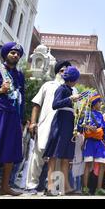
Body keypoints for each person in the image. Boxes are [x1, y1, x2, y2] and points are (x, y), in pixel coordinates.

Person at [0, 42, 25, 196]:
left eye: (18, 54)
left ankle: (5, 187)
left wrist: (21, 119)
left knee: (11, 149)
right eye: (13, 52)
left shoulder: (19, 75)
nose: (16, 55)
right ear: (6, 53)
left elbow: (22, 97)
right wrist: (0, 90)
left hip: (12, 115)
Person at [25, 60, 71, 194]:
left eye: (68, 71)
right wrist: (33, 122)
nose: (65, 73)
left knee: (57, 157)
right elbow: (36, 104)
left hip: (62, 128)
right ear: (57, 72)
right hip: (45, 125)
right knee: (38, 156)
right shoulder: (48, 85)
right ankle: (31, 185)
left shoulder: (72, 89)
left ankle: (52, 188)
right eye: (63, 70)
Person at [43, 66, 81, 196]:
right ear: (73, 78)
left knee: (66, 157)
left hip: (69, 122)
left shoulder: (71, 90)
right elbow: (55, 104)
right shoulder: (62, 88)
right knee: (54, 155)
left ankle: (66, 187)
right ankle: (50, 186)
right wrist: (70, 99)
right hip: (60, 122)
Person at [80, 93, 105, 196]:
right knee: (88, 165)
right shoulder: (86, 114)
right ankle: (85, 188)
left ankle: (99, 188)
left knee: (102, 164)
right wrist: (88, 127)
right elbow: (80, 126)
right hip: (89, 143)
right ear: (94, 104)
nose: (101, 104)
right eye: (99, 102)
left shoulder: (101, 115)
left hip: (99, 144)